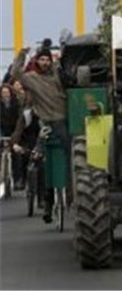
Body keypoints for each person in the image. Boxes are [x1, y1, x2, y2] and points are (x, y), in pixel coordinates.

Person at [11, 46, 68, 224]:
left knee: (70, 157)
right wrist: (22, 55)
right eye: (42, 59)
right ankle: (48, 205)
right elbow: (16, 73)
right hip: (47, 125)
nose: (45, 62)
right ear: (37, 61)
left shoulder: (58, 76)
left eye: (47, 59)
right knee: (44, 165)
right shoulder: (32, 79)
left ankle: (72, 194)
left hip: (63, 122)